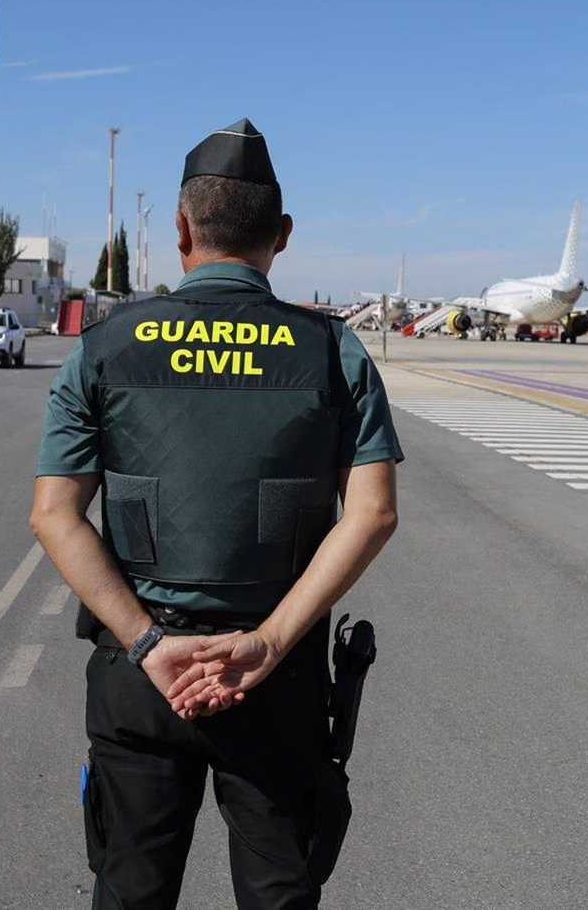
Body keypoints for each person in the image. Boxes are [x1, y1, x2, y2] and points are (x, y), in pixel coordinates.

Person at [29, 118, 402, 910]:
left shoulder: (105, 347)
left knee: (129, 891)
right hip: (275, 677)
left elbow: (54, 516)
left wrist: (151, 644)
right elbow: (370, 514)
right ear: (284, 235)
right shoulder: (332, 351)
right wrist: (265, 643)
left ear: (180, 229)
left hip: (140, 677)